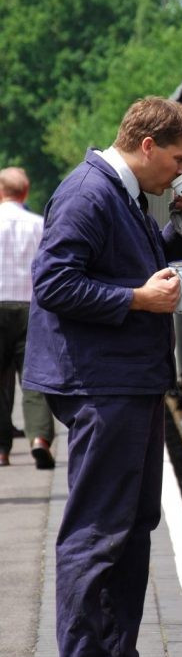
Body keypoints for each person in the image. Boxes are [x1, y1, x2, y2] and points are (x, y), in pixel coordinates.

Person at [23, 97, 182, 657]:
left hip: (127, 380)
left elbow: (137, 265)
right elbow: (52, 282)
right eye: (178, 161)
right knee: (98, 530)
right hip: (100, 383)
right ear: (148, 144)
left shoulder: (120, 194)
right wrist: (135, 300)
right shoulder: (88, 192)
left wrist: (180, 229)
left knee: (131, 527)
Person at [0, 166, 55, 468]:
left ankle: (2, 450)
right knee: (34, 377)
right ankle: (39, 439)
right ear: (25, 192)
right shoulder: (39, 225)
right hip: (32, 307)